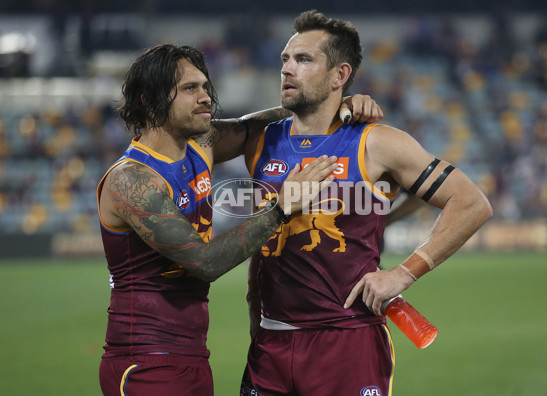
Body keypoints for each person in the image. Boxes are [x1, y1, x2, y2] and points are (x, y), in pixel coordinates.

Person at [96, 43, 382, 396]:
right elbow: (204, 262)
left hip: (191, 355)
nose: (204, 97)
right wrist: (281, 208)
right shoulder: (131, 180)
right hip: (144, 359)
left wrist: (338, 105)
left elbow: (261, 125)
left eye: (204, 86)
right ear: (149, 101)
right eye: (189, 89)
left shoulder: (201, 143)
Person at [241, 10, 493, 396]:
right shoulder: (259, 139)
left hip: (347, 342)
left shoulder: (376, 142)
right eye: (285, 60)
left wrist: (404, 273)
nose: (288, 69)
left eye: (304, 60)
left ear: (339, 75)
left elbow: (471, 202)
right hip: (270, 346)